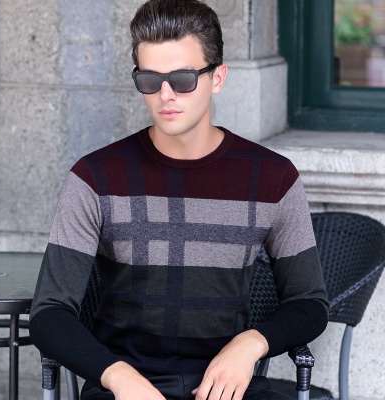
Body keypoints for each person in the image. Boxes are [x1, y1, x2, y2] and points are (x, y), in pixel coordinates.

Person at [29, 1, 329, 399]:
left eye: (183, 79)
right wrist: (118, 377)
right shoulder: (93, 177)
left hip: (228, 387)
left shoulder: (274, 178)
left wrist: (250, 344)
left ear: (217, 77)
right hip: (123, 388)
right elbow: (49, 313)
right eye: (150, 80)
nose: (165, 95)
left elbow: (309, 302)